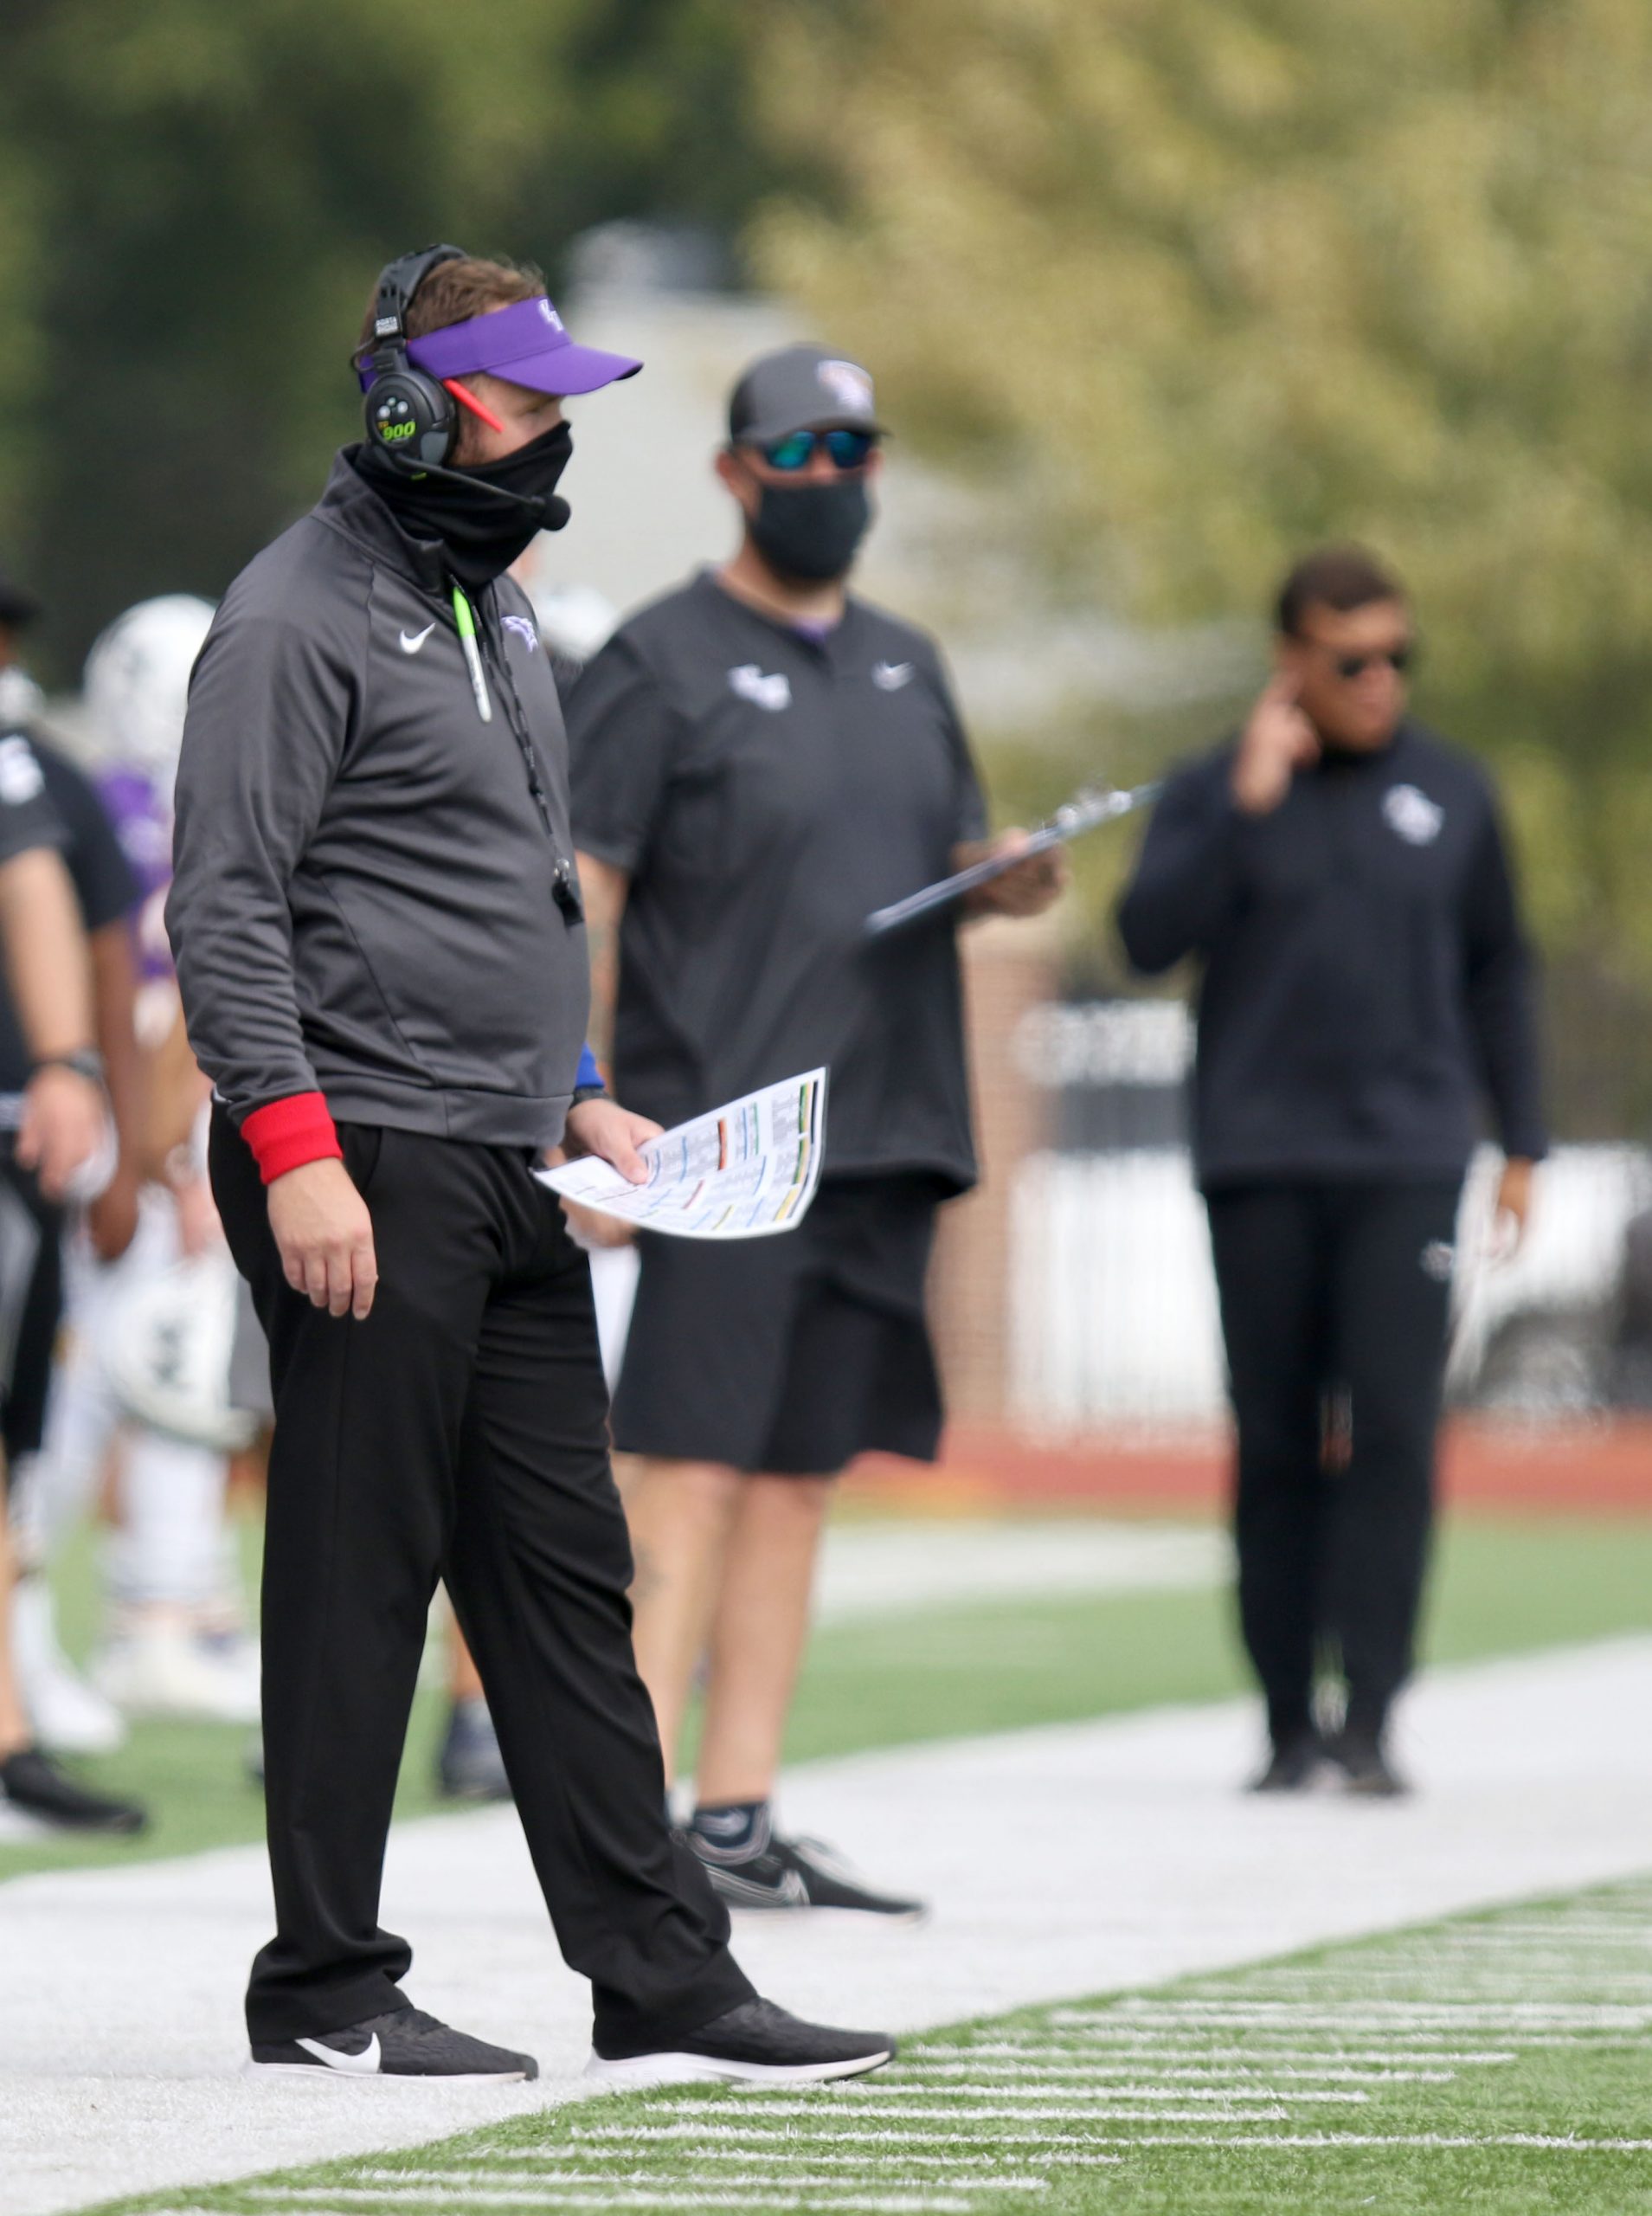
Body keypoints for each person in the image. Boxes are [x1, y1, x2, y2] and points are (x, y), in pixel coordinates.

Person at [166, 246, 891, 2087]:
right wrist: (296, 1151)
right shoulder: (290, 617)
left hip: (500, 1157)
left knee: (567, 1582)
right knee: (357, 1578)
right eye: (521, 395)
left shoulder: (494, 608)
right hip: (358, 1151)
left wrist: (575, 1091)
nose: (554, 427)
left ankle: (663, 1975)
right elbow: (226, 909)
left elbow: (504, 891)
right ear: (415, 404)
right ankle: (323, 1986)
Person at [566, 343, 1064, 1916]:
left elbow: (938, 865)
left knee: (795, 1478)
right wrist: (577, 1091)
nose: (831, 480)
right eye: (799, 452)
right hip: (726, 1144)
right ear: (733, 472)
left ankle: (735, 1818)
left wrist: (1009, 880)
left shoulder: (911, 665)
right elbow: (585, 890)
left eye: (854, 452)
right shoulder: (655, 662)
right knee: (690, 1473)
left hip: (886, 1131)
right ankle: (626, 1836)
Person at [1115, 545, 1545, 1797]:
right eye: (1352, 660)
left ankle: (1372, 1715)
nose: (1379, 680)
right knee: (1275, 1440)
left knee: (1395, 1432)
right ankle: (1284, 1720)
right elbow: (1144, 938)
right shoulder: (1215, 788)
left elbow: (1500, 971)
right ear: (1290, 660)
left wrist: (1523, 1143)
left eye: (1397, 656)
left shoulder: (1453, 791)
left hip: (1407, 1158)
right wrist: (1243, 809)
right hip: (1258, 1159)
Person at [11, 595, 261, 1747]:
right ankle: (96, 1621)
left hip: (155, 1122)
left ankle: (170, 1606)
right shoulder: (111, 805)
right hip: (124, 1124)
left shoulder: (129, 795)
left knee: (169, 1375)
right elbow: (158, 993)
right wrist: (165, 1151)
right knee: (92, 1385)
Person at [0, 577, 143, 1830]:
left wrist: (72, 1074)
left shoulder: (29, 765)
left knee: (21, 1433)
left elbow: (79, 925)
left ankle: (8, 1725)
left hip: (14, 1130)